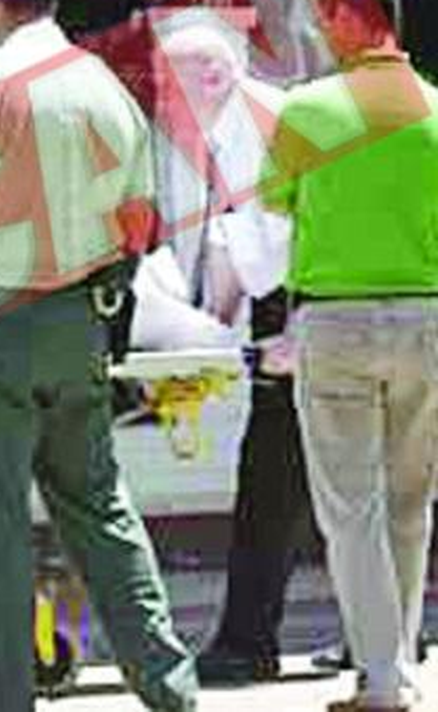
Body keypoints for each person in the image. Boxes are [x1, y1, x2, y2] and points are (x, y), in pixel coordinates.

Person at [0, 1, 198, 710]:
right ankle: (169, 687)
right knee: (99, 506)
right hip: (78, 322)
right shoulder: (105, 88)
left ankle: (3, 697)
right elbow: (137, 223)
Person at [262, 0, 438, 709]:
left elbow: (276, 201)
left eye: (321, 16)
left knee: (351, 510)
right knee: (410, 504)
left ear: (345, 15)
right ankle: (397, 665)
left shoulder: (308, 109)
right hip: (428, 318)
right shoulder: (434, 108)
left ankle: (382, 678)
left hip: (336, 321)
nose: (317, 28)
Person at [132, 18, 319, 684]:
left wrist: (293, 327)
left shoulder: (271, 126)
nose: (159, 94)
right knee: (324, 478)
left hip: (314, 299)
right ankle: (365, 641)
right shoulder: (229, 126)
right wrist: (207, 330)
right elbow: (232, 238)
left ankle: (247, 644)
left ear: (213, 76)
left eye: (168, 80)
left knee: (276, 475)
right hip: (296, 302)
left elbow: (293, 233)